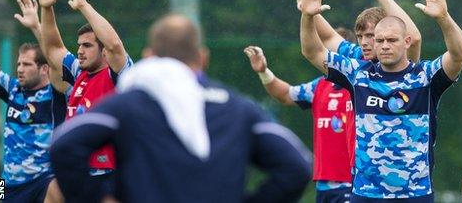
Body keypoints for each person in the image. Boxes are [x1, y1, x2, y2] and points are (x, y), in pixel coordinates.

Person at [50, 14, 313, 203]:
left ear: (150, 55)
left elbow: (63, 145)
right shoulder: (239, 109)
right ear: (203, 58)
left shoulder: (127, 105)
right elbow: (298, 166)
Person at [298, 0, 462, 202]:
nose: (384, 45)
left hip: (415, 194)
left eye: (391, 40)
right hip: (365, 194)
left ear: (407, 41)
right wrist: (308, 16)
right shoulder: (357, 74)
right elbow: (312, 51)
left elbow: (460, 55)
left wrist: (444, 18)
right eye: (379, 40)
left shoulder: (425, 76)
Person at [35, 0, 133, 195]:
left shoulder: (118, 75)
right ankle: (0, 195)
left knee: (49, 189)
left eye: (87, 46)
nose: (79, 51)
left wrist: (83, 6)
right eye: (79, 45)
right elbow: (52, 50)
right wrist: (47, 8)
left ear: (104, 51)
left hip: (106, 173)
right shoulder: (79, 72)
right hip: (71, 170)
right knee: (49, 190)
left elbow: (115, 45)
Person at [243, 26, 356, 203]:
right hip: (324, 185)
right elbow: (285, 94)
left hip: (353, 184)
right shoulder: (320, 86)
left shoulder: (362, 87)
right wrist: (264, 72)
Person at [0, 0, 68, 202]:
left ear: (44, 69)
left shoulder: (55, 94)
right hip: (6, 183)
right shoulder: (12, 89)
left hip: (42, 180)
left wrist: (37, 26)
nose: (19, 69)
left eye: (26, 65)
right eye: (18, 64)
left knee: (58, 189)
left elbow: (56, 58)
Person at [307, 0, 422, 63]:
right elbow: (329, 37)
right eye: (360, 36)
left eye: (369, 35)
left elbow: (414, 40)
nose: (363, 43)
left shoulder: (402, 60)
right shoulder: (358, 56)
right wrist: (309, 12)